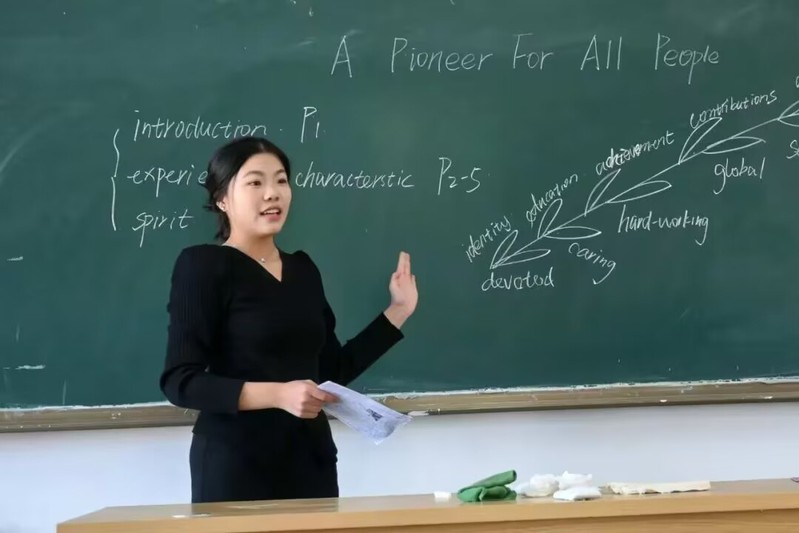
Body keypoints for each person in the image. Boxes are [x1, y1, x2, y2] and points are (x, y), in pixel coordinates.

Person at [159, 136, 418, 503]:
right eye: (255, 182)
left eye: (281, 181)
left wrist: (398, 311)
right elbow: (180, 381)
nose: (272, 193)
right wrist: (279, 394)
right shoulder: (203, 266)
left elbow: (331, 370)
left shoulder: (303, 270)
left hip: (311, 461)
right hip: (236, 464)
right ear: (222, 199)